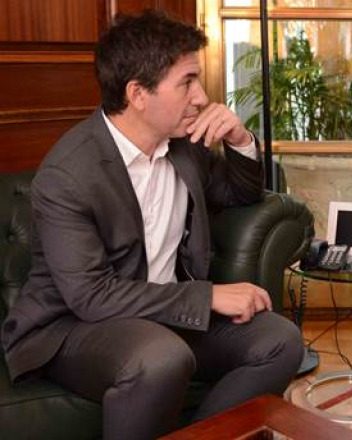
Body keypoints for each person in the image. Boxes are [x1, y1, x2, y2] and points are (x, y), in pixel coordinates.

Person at [1, 10, 303, 440]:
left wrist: (240, 140)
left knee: (280, 340)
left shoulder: (184, 145)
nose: (201, 97)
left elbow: (238, 194)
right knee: (160, 357)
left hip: (164, 317)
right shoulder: (69, 174)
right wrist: (208, 296)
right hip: (72, 328)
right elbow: (91, 296)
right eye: (187, 82)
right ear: (137, 94)